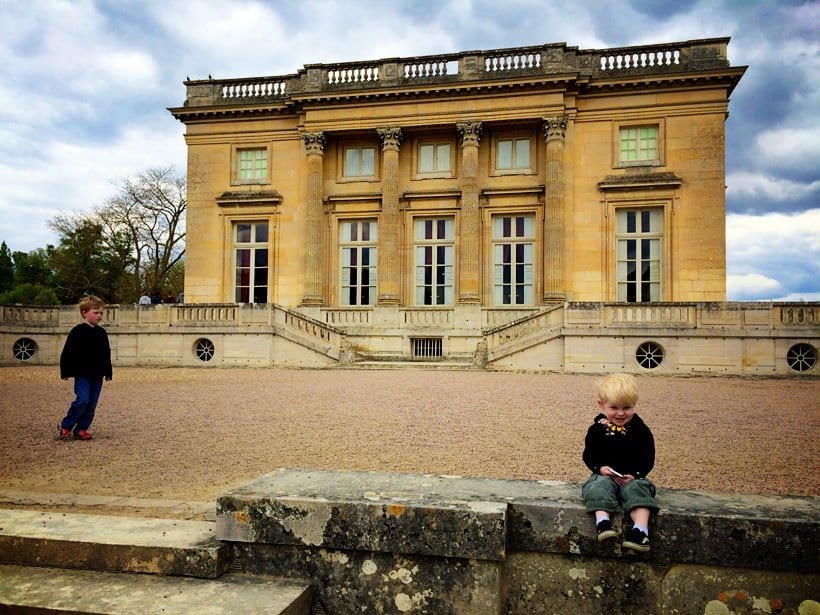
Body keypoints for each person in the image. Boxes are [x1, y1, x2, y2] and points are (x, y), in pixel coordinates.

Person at [581, 373, 658, 552]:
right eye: (614, 407)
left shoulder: (640, 429)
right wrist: (599, 468)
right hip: (605, 475)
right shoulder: (597, 429)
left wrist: (637, 474)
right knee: (597, 486)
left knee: (638, 490)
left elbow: (648, 456)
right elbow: (589, 454)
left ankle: (640, 531)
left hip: (632, 477)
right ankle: (603, 523)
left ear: (634, 405)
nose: (621, 413)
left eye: (627, 407)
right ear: (601, 405)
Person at [58, 295, 112, 441]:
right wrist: (65, 371)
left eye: (101, 313)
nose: (99, 316)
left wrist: (108, 372)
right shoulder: (78, 331)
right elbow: (67, 352)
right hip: (82, 373)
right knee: (82, 400)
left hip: (97, 373)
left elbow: (106, 353)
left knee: (92, 404)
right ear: (84, 313)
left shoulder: (101, 333)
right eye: (96, 312)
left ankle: (82, 428)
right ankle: (66, 425)